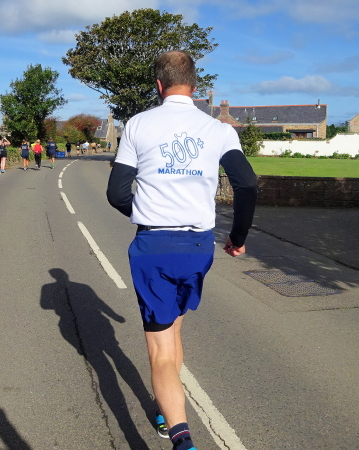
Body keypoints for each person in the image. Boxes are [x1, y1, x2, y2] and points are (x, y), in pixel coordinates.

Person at [107, 50, 258, 450]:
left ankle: (181, 438)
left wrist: (145, 212)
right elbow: (247, 184)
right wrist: (238, 236)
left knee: (159, 350)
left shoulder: (138, 125)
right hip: (198, 246)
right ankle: (166, 408)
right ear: (194, 85)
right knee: (174, 326)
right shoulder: (220, 130)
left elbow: (117, 192)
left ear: (159, 85)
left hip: (153, 245)